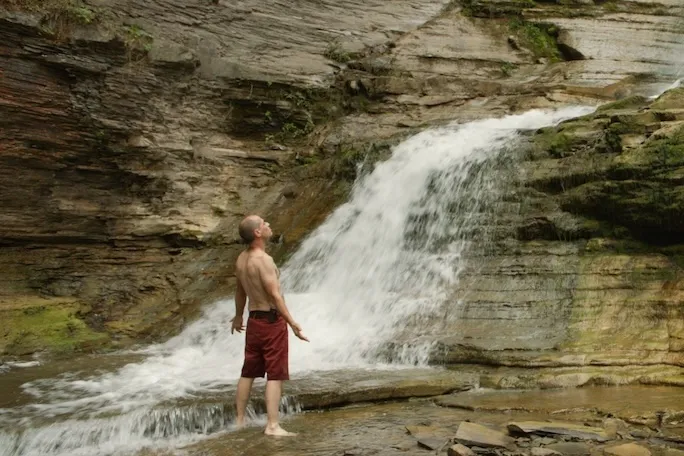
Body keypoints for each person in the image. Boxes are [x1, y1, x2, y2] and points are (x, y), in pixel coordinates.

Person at [231, 214, 309, 436]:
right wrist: (292, 323)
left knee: (248, 371)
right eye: (264, 224)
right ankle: (272, 425)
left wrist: (238, 316)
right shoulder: (263, 260)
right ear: (257, 233)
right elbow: (275, 296)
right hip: (271, 322)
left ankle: (239, 420)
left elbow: (239, 291)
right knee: (275, 374)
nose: (268, 225)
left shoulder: (241, 259)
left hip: (254, 321)